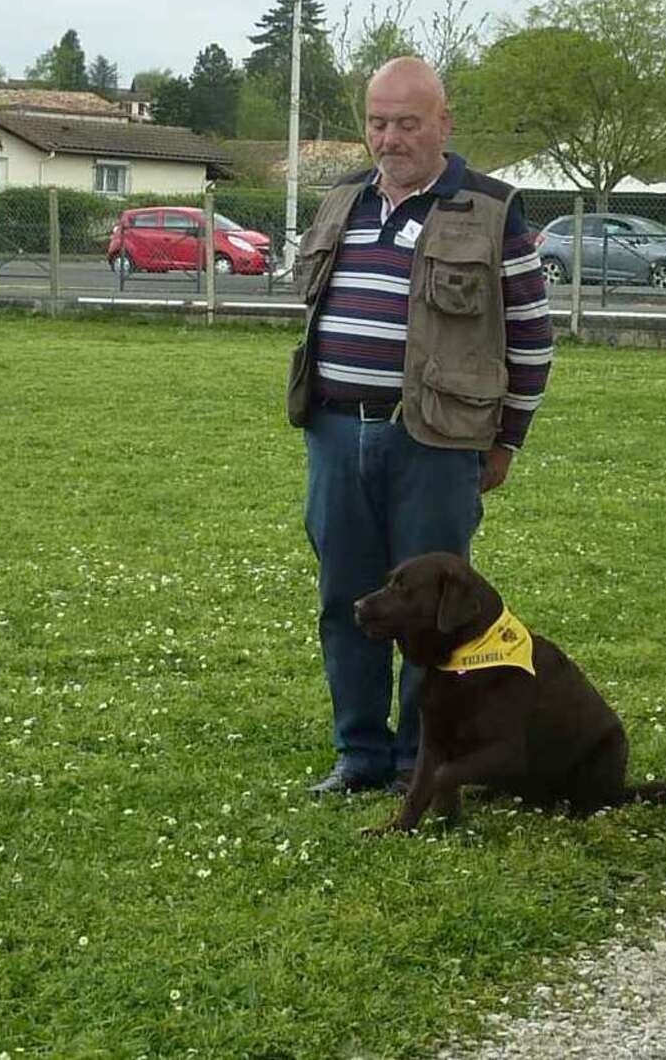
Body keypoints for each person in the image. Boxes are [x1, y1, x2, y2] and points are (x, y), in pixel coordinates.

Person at [287, 57, 552, 796]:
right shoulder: (341, 200)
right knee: (346, 600)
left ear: (444, 123)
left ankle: (418, 761)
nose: (390, 137)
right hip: (337, 434)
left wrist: (507, 440)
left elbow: (531, 339)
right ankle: (359, 756)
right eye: (378, 122)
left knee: (432, 616)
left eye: (407, 122)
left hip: (436, 444)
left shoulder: (494, 208)